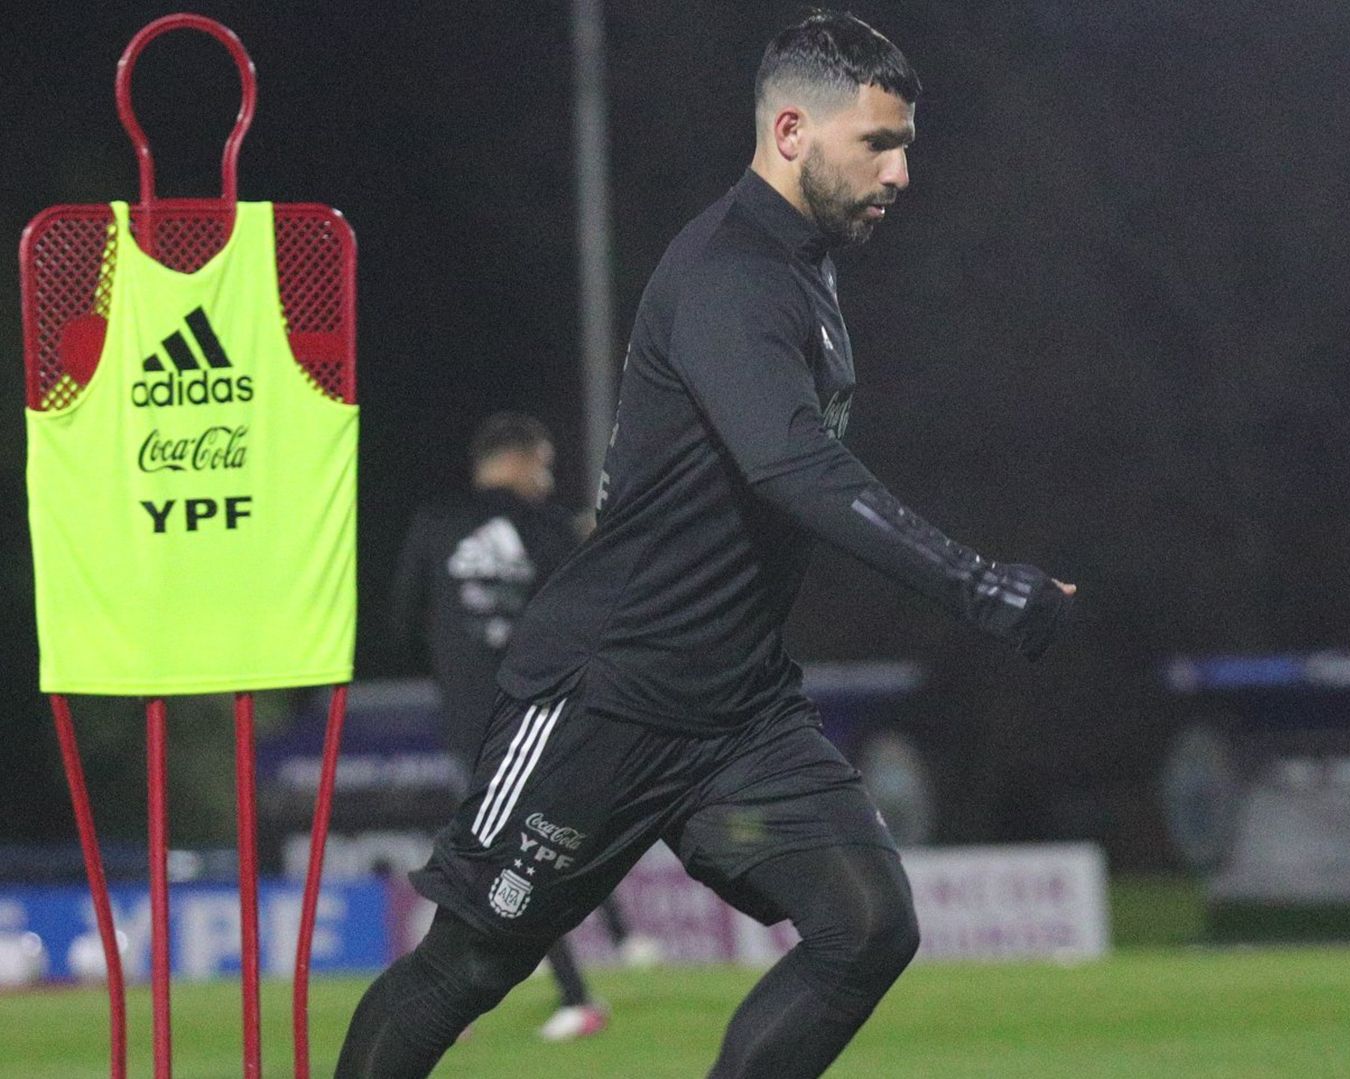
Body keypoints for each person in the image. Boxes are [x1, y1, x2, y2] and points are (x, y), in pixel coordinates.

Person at [337, 12, 1074, 1077]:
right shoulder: (731, 272)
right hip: (605, 695)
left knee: (868, 923)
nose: (902, 171)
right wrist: (978, 585)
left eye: (905, 144)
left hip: (735, 710)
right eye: (878, 143)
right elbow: (794, 469)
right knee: (468, 963)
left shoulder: (804, 271)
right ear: (791, 132)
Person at [387, 413, 660, 1044]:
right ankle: (580, 972)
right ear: (516, 460)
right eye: (543, 465)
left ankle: (559, 990)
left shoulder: (433, 525)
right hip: (543, 711)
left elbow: (402, 617)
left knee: (507, 851)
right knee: (530, 846)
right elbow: (592, 613)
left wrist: (455, 658)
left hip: (471, 718)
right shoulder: (549, 528)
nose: (547, 479)